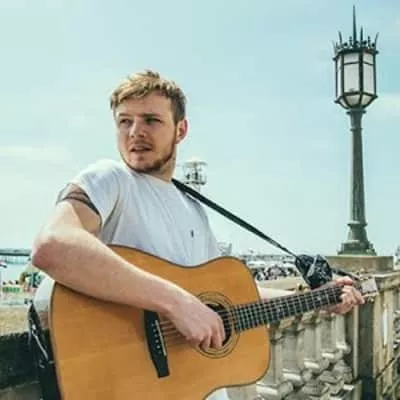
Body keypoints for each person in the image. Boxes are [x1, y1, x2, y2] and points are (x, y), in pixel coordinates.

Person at [31, 70, 364, 400]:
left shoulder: (193, 208)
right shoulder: (110, 179)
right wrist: (177, 303)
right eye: (124, 121)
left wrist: (317, 299)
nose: (135, 132)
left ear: (181, 129)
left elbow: (228, 296)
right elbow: (53, 245)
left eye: (151, 120)